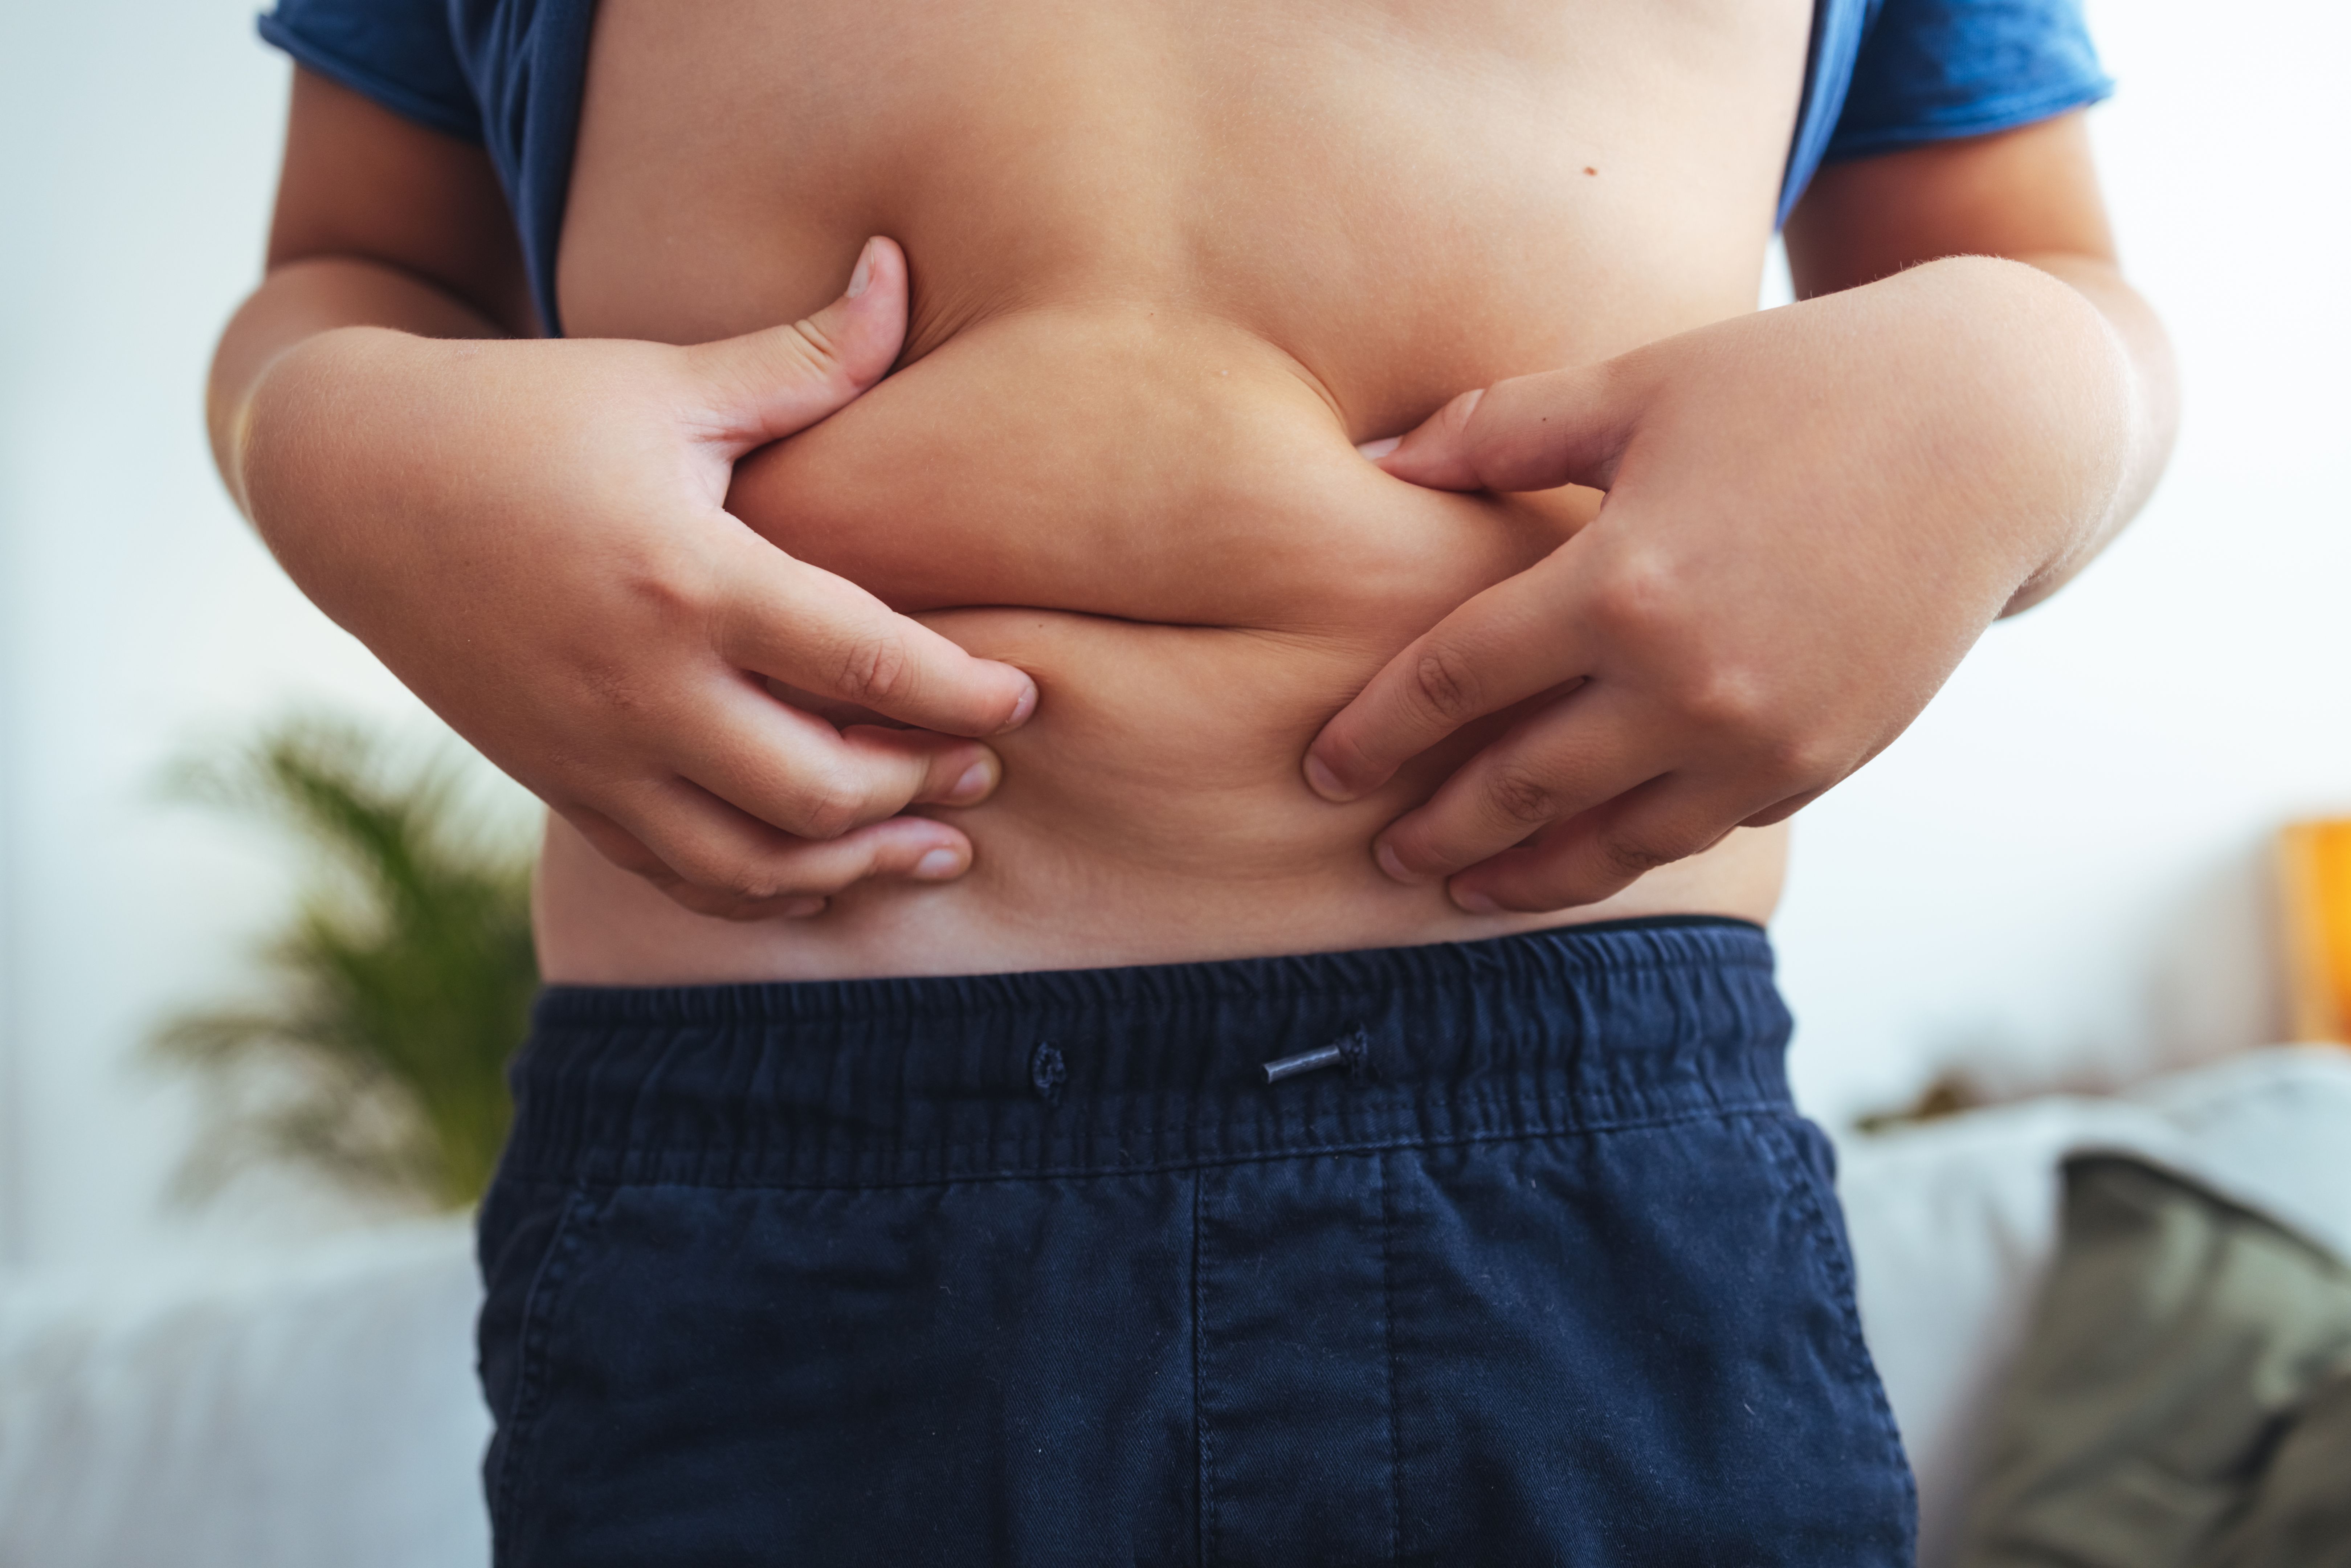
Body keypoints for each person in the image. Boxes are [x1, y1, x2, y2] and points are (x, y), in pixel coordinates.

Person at [206, 0, 2175, 1560]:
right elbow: (351, 270)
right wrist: (335, 442)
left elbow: (2056, 285)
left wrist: (2020, 399)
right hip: (768, 1206)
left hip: (1579, 1163)